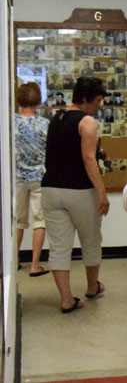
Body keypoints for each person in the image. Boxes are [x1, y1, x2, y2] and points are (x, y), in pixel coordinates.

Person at [41, 77, 110, 313]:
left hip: (51, 189)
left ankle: (66, 299)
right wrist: (102, 191)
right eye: (98, 100)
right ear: (85, 99)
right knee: (91, 240)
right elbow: (88, 158)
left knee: (59, 246)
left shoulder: (56, 119)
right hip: (80, 190)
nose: (99, 105)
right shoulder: (87, 122)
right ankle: (92, 287)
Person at [14, 82, 49, 276]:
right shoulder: (44, 124)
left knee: (18, 220)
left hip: (18, 177)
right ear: (37, 101)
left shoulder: (11, 122)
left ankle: (15, 259)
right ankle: (35, 264)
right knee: (39, 220)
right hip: (39, 177)